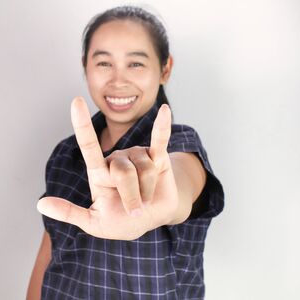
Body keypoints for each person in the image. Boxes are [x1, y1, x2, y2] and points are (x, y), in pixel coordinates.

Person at [27, 5, 224, 300]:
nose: (118, 81)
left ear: (165, 68)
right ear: (85, 66)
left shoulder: (179, 146)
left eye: (136, 64)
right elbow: (49, 252)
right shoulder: (66, 153)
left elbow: (180, 186)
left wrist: (159, 201)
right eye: (104, 63)